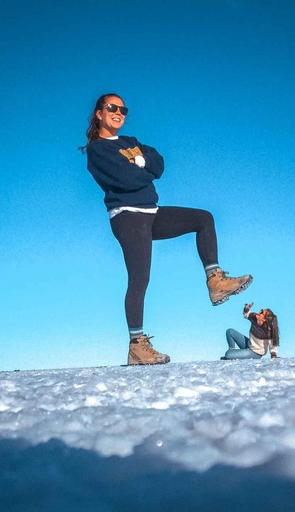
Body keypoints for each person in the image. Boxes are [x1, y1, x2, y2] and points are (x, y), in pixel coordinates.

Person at [83, 93, 253, 366]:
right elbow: (126, 180)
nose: (119, 113)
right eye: (112, 108)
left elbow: (158, 164)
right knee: (140, 279)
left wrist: (141, 163)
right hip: (128, 216)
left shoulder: (131, 143)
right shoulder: (97, 150)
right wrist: (141, 168)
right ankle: (137, 345)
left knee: (204, 218)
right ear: (99, 113)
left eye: (123, 109)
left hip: (153, 212)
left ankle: (216, 281)